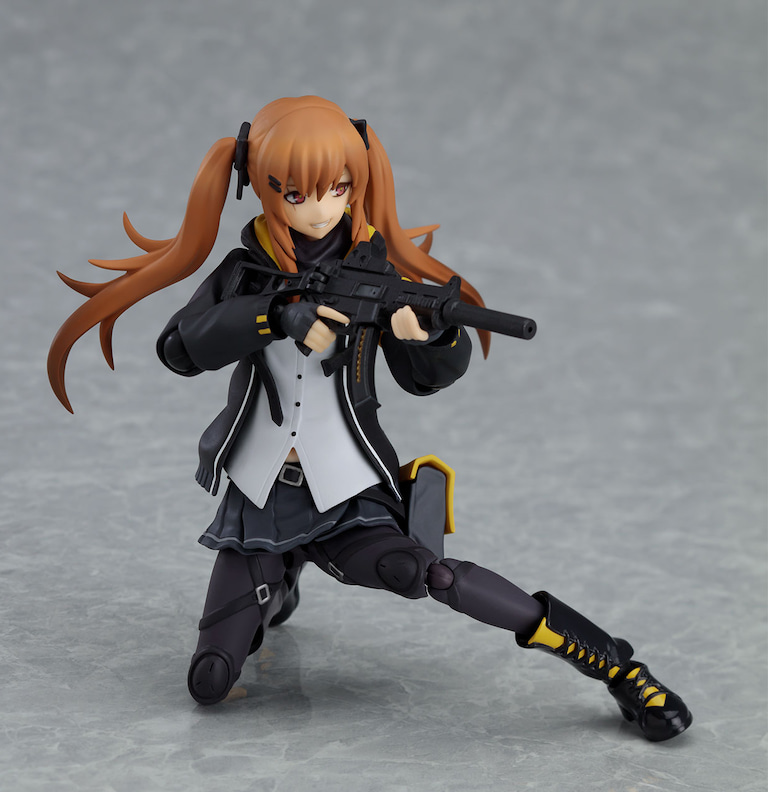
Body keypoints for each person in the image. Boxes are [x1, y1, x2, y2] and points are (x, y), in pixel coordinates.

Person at [48, 96, 691, 741]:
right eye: (296, 193)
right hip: (261, 496)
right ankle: (280, 574)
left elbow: (426, 379)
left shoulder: (375, 274)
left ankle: (615, 665)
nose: (320, 208)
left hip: (347, 491)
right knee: (210, 682)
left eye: (337, 189)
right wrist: (274, 316)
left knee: (427, 573)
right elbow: (178, 349)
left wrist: (427, 338)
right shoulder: (244, 274)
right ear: (263, 188)